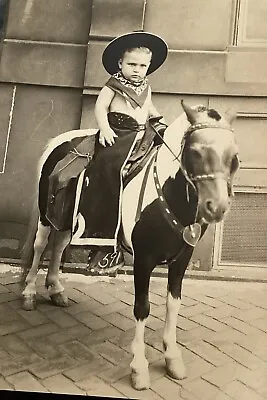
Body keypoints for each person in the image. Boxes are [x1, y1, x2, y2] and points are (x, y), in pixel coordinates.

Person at [76, 31, 168, 276]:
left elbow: (148, 108)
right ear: (120, 64)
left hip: (141, 134)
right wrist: (104, 128)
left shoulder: (146, 87)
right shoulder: (113, 84)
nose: (137, 70)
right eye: (131, 64)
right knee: (111, 170)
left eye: (142, 66)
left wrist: (160, 120)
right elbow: (100, 107)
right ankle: (105, 242)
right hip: (117, 134)